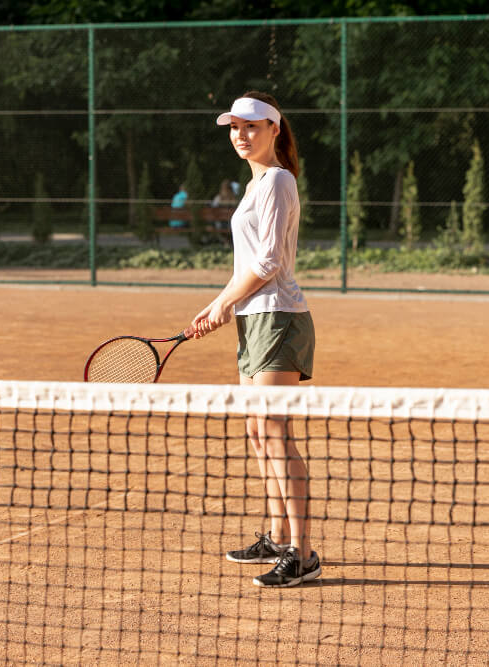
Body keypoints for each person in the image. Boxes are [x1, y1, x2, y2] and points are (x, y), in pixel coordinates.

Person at [189, 91, 319, 588]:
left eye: (251, 126)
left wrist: (226, 303)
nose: (240, 135)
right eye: (234, 128)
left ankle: (301, 554)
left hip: (281, 318)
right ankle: (276, 533)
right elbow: (246, 266)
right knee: (257, 432)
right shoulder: (253, 185)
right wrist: (217, 302)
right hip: (255, 319)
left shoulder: (279, 180)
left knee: (275, 433)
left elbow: (267, 264)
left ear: (274, 130)